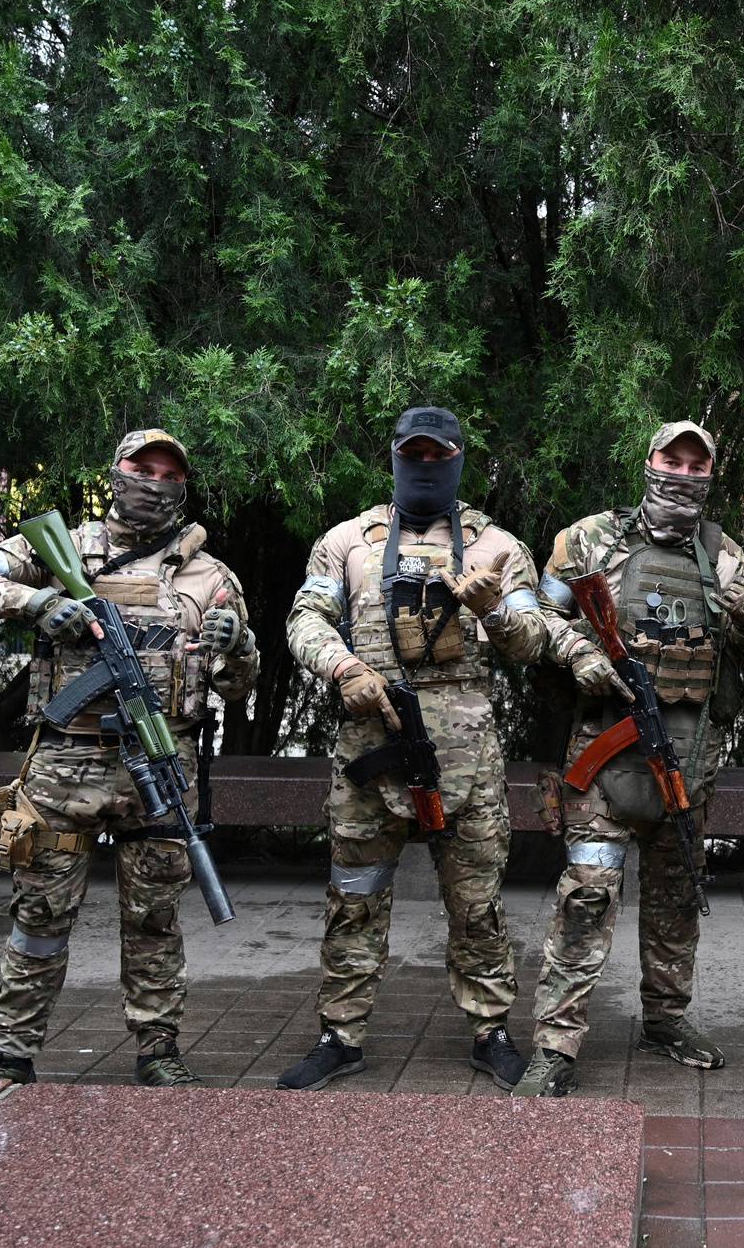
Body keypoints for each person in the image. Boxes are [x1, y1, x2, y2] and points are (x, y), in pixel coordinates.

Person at [0, 429, 259, 1087]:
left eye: (169, 471)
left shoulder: (212, 575)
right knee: (41, 912)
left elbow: (239, 684)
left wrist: (239, 642)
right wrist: (37, 601)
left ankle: (158, 1049)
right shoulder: (60, 549)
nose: (155, 480)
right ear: (117, 472)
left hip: (161, 767)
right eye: (143, 466)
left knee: (154, 917)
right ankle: (11, 1051)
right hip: (64, 762)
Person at [276, 407, 547, 1092]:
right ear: (395, 457)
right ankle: (341, 1033)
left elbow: (533, 643)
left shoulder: (498, 546)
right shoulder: (346, 541)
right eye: (413, 454)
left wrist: (495, 611)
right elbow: (304, 618)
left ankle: (490, 1028)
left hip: (466, 761)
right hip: (370, 748)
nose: (425, 466)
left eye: (438, 455)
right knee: (354, 896)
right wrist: (344, 668)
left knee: (476, 901)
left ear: (457, 458)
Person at [513, 421, 744, 1097]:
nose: (682, 474)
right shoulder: (589, 538)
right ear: (648, 462)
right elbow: (536, 615)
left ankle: (666, 1018)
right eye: (670, 460)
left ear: (709, 475)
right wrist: (582, 654)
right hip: (604, 763)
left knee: (677, 900)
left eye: (695, 465)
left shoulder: (726, 556)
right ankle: (555, 1045)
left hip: (688, 763)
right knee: (588, 897)